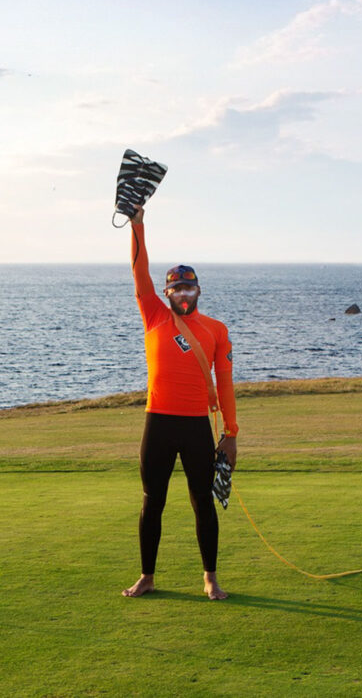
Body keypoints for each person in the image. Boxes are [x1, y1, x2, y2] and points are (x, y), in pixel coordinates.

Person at [122, 206, 238, 600]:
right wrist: (137, 224)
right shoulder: (153, 314)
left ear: (198, 291)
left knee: (202, 503)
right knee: (152, 501)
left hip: (195, 427)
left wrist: (231, 434)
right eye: (176, 289)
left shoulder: (215, 330)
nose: (183, 294)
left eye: (190, 288)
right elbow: (139, 272)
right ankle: (147, 576)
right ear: (167, 293)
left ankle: (210, 578)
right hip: (157, 422)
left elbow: (225, 383)